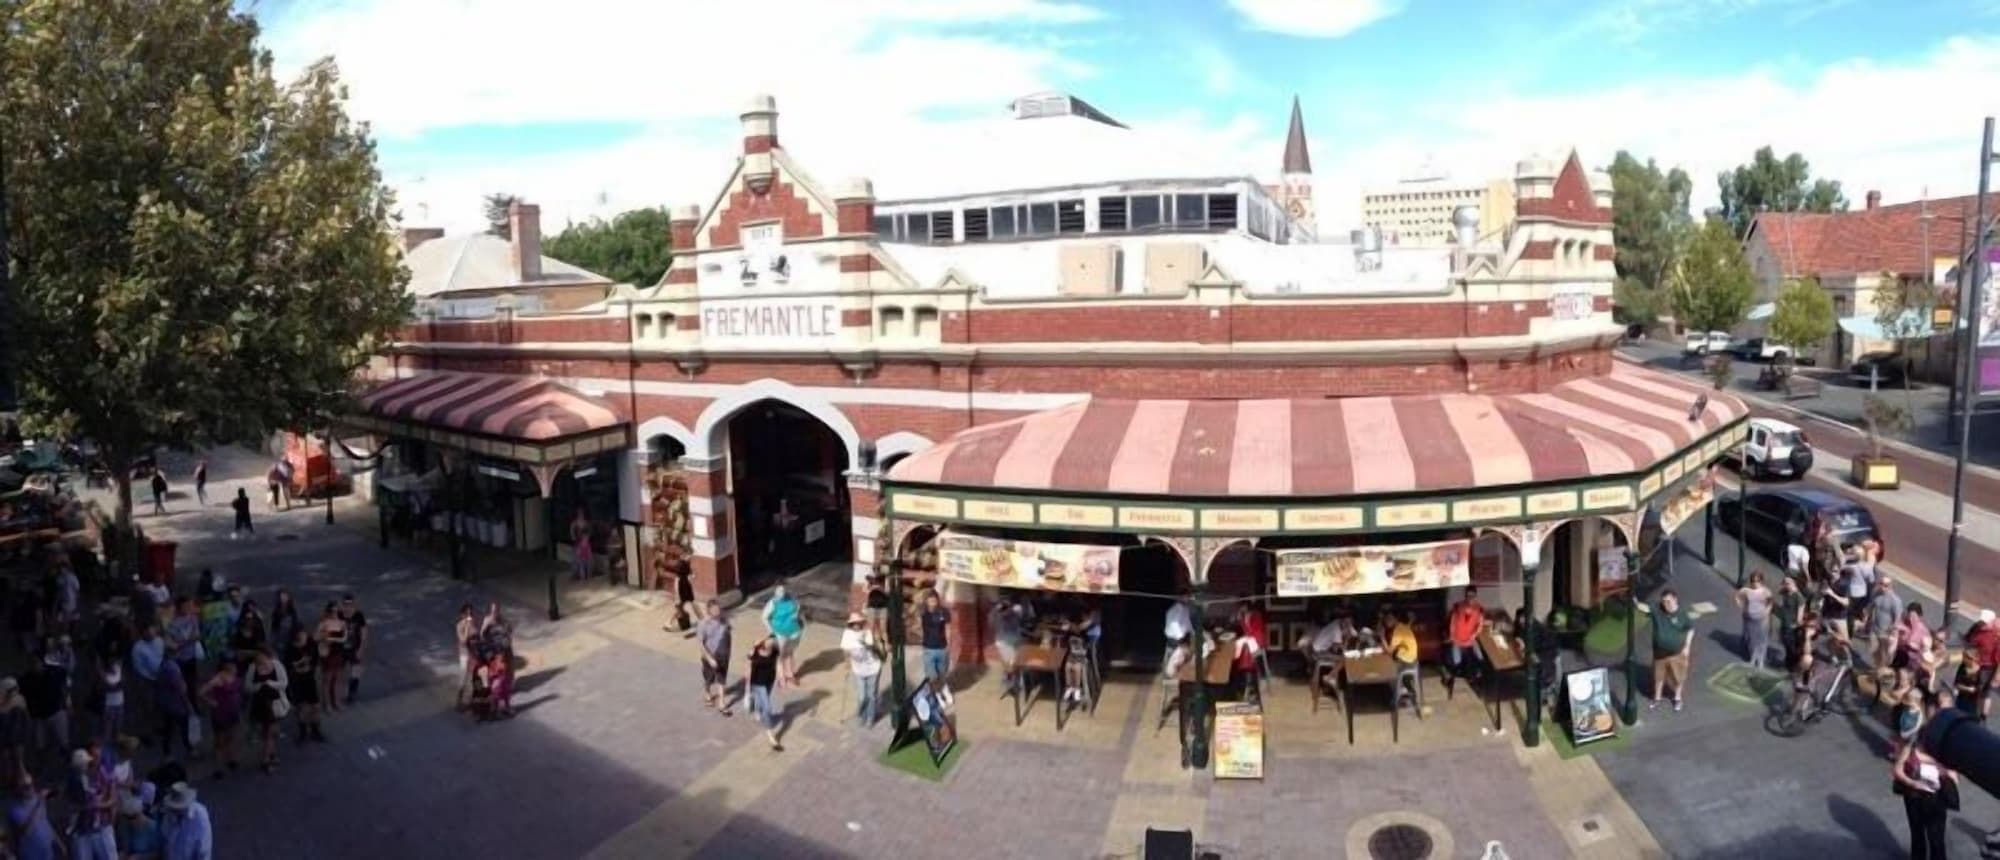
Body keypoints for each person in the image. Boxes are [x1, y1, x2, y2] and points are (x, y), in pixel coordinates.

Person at [1893, 723, 1955, 860]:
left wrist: (1938, 767)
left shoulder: (1943, 752)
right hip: (1913, 797)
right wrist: (1913, 783)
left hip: (1935, 799)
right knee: (1917, 834)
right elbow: (1897, 770)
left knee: (1936, 839)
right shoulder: (1911, 747)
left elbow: (1954, 777)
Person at [67, 747, 116, 860]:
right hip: (81, 828)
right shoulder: (74, 780)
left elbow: (110, 797)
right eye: (86, 762)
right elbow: (77, 803)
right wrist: (90, 804)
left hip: (97, 825)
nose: (89, 763)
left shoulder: (90, 775)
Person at [1650, 589, 1695, 711]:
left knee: (1678, 677)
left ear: (1675, 600)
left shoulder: (1682, 614)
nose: (1666, 604)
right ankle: (1657, 698)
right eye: (1664, 602)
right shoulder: (1657, 610)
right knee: (1658, 677)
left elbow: (1690, 629)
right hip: (1659, 654)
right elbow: (1643, 607)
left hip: (1677, 653)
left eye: (1668, 601)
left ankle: (1677, 698)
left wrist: (1687, 647)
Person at [198, 662, 242, 780]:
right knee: (219, 741)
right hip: (221, 713)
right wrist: (210, 701)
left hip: (233, 712)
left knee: (231, 737)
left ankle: (230, 758)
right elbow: (201, 692)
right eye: (233, 666)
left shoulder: (234, 676)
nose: (235, 668)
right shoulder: (218, 679)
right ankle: (218, 767)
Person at [245, 650, 286, 774]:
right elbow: (247, 687)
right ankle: (267, 759)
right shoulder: (253, 667)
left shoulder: (276, 665)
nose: (260, 660)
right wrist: (259, 685)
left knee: (272, 731)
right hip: (260, 702)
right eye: (257, 658)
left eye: (262, 657)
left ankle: (270, 755)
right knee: (268, 731)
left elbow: (284, 683)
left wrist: (270, 683)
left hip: (274, 702)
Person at [21, 658, 68, 768]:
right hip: (39, 717)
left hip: (56, 712)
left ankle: (67, 762)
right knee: (40, 744)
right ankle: (41, 766)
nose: (35, 667)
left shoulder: (53, 673)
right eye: (32, 665)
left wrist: (66, 702)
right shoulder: (27, 679)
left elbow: (64, 683)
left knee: (63, 741)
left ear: (42, 664)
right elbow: (23, 696)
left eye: (37, 664)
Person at [282, 628, 324, 744]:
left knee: (315, 706)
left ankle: (315, 730)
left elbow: (315, 660)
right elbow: (288, 665)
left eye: (304, 634)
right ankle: (303, 732)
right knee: (302, 707)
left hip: (310, 679)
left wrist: (310, 667)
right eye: (300, 636)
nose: (303, 637)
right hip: (297, 681)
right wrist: (299, 666)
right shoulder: (290, 649)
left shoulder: (311, 644)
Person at [840, 612, 881, 726]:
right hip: (858, 669)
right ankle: (862, 714)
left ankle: (870, 718)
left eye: (859, 623)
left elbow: (871, 647)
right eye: (854, 624)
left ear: (862, 623)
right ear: (851, 624)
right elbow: (845, 650)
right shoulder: (847, 634)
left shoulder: (867, 633)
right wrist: (846, 664)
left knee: (871, 695)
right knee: (862, 696)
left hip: (873, 667)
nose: (856, 625)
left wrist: (866, 641)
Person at [745, 636, 783, 751]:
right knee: (767, 708)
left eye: (773, 641)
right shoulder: (756, 651)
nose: (771, 642)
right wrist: (747, 687)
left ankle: (757, 711)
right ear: (763, 642)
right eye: (769, 641)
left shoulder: (775, 650)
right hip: (757, 682)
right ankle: (771, 736)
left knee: (760, 699)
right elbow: (748, 665)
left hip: (769, 680)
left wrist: (781, 677)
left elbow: (778, 663)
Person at [761, 586, 804, 688]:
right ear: (775, 592)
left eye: (783, 591)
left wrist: (797, 615)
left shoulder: (792, 599)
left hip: (794, 631)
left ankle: (790, 675)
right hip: (779, 632)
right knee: (779, 655)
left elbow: (798, 608)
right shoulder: (773, 603)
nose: (781, 594)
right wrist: (772, 631)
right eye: (779, 592)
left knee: (789, 653)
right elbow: (764, 617)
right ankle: (781, 677)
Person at [9, 774, 58, 860]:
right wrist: (39, 803)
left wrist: (59, 843)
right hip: (31, 854)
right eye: (26, 787)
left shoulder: (37, 800)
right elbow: (27, 831)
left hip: (47, 853)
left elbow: (45, 822)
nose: (31, 789)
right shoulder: (15, 809)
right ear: (18, 789)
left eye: (32, 785)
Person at [1446, 587, 1487, 691]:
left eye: (1472, 596)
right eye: (1468, 595)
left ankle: (1476, 678)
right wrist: (1452, 636)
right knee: (1456, 662)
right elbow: (1453, 622)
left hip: (1470, 639)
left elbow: (1480, 624)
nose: (1470, 598)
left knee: (1480, 658)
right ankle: (1452, 680)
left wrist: (1474, 635)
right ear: (1465, 595)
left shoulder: (1479, 608)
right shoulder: (1458, 606)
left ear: (1475, 596)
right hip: (1457, 638)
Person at [159, 782, 212, 860]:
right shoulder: (168, 813)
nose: (176, 810)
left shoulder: (200, 816)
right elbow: (165, 838)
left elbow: (204, 851)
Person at [695, 601, 732, 715]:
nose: (718, 611)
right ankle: (707, 693)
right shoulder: (703, 624)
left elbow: (728, 636)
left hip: (723, 656)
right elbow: (700, 644)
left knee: (722, 679)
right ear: (709, 610)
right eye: (715, 609)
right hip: (709, 656)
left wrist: (729, 652)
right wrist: (709, 658)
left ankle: (722, 703)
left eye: (719, 609)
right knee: (709, 678)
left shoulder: (724, 620)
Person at [1868, 576, 1906, 682]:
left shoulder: (1895, 601)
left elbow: (1897, 619)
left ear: (1890, 586)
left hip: (1886, 632)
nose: (1883, 587)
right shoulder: (1876, 594)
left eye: (1886, 585)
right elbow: (1871, 607)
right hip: (1875, 629)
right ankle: (1878, 669)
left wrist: (1892, 634)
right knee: (1874, 651)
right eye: (1881, 584)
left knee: (1885, 655)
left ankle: (1883, 674)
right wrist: (1867, 620)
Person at [1895, 603, 1935, 703]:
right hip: (1902, 655)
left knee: (1906, 678)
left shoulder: (1923, 630)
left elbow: (1927, 648)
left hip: (1915, 659)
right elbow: (1896, 633)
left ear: (1919, 616)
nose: (1911, 617)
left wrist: (1914, 646)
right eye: (1909, 614)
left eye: (1913, 615)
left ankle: (1905, 697)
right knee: (1900, 675)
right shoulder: (1903, 623)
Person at [1734, 571, 1774, 670]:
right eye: (1753, 581)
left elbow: (1771, 602)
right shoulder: (1747, 590)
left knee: (1762, 640)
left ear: (1761, 581)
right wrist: (1742, 606)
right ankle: (1753, 659)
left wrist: (1767, 612)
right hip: (1749, 618)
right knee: (1752, 640)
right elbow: (1737, 596)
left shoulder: (1766, 591)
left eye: (1757, 581)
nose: (1755, 583)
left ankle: (1760, 660)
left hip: (1762, 619)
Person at [153, 659, 190, 762]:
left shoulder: (163, 667)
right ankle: (188, 748)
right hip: (176, 704)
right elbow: (180, 688)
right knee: (183, 727)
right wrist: (188, 704)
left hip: (166, 703)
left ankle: (167, 752)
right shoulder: (173, 669)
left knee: (168, 729)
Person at [314, 602, 347, 712]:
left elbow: (344, 638)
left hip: (338, 652)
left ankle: (336, 702)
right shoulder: (324, 623)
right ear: (328, 612)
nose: (334, 613)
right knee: (327, 679)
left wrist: (332, 639)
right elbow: (316, 637)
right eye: (332, 611)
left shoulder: (342, 623)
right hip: (327, 653)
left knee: (336, 679)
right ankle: (327, 704)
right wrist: (323, 637)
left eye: (336, 611)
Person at [1387, 611, 1421, 713]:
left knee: (1389, 672)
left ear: (1394, 620)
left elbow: (1389, 651)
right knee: (1394, 663)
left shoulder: (1397, 631)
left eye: (1389, 619)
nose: (1387, 622)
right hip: (1414, 660)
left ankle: (1398, 698)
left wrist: (1381, 638)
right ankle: (1403, 691)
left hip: (1407, 661)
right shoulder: (1403, 626)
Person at [338, 594, 368, 704]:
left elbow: (364, 633)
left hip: (355, 648)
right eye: (346, 605)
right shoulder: (339, 615)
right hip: (342, 649)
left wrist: (361, 649)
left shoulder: (359, 616)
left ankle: (352, 692)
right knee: (339, 672)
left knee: (356, 672)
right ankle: (339, 693)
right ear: (342, 605)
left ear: (354, 605)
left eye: (350, 605)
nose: (348, 607)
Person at [918, 590, 952, 688]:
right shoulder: (923, 612)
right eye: (930, 601)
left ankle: (942, 690)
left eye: (934, 601)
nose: (933, 603)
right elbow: (920, 627)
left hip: (942, 647)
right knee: (932, 676)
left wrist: (949, 644)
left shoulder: (944, 612)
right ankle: (935, 694)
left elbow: (948, 628)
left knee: (942, 675)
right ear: (926, 601)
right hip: (928, 648)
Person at [990, 598, 1023, 693]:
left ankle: (1010, 681)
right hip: (1006, 641)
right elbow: (992, 622)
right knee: (1011, 662)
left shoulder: (1012, 613)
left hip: (1007, 640)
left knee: (1010, 662)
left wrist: (999, 608)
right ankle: (1011, 682)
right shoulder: (1004, 614)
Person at [1774, 576, 1807, 671]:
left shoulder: (1798, 597)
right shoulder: (1786, 592)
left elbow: (1800, 615)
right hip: (1784, 622)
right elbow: (1779, 591)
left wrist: (1796, 625)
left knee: (1791, 647)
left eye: (1788, 583)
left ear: (1794, 583)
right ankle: (1787, 664)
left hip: (1791, 626)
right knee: (1785, 644)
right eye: (1784, 582)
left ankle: (1792, 667)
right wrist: (1783, 586)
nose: (1785, 585)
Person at [0, 679, 30, 783]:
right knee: (6, 761)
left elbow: (24, 721)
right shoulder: (4, 700)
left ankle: (22, 785)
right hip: (6, 738)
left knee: (18, 761)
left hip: (16, 738)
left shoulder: (18, 700)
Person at [454, 604, 480, 709]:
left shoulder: (473, 623)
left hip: (473, 654)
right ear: (462, 614)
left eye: (471, 613)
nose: (469, 615)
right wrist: (467, 627)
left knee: (473, 678)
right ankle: (459, 700)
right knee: (463, 677)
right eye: (467, 613)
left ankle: (471, 700)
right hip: (464, 655)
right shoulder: (459, 625)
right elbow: (463, 641)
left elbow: (477, 636)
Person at [98, 657, 125, 745]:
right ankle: (107, 747)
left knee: (118, 727)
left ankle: (116, 744)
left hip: (120, 703)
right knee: (107, 729)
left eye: (115, 664)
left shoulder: (119, 670)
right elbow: (111, 687)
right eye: (112, 665)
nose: (114, 666)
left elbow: (121, 685)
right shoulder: (105, 676)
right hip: (110, 706)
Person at [268, 590, 300, 658]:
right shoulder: (276, 611)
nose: (283, 598)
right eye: (282, 596)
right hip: (278, 639)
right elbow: (273, 628)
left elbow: (295, 624)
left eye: (285, 596)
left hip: (289, 639)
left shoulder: (292, 611)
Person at [864, 574, 890, 644]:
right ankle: (872, 644)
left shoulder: (884, 579)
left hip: (883, 607)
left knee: (883, 628)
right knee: (871, 627)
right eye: (875, 568)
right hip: (872, 606)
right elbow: (865, 591)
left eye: (877, 568)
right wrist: (872, 589)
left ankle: (886, 644)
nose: (876, 569)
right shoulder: (869, 580)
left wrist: (880, 589)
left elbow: (888, 593)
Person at [569, 509, 594, 581]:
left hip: (584, 544)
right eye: (579, 513)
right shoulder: (574, 523)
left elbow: (589, 531)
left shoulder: (586, 523)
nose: (581, 514)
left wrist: (587, 538)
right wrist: (573, 537)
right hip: (577, 543)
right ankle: (577, 574)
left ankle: (588, 575)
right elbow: (572, 530)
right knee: (577, 560)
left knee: (587, 562)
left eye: (582, 513)